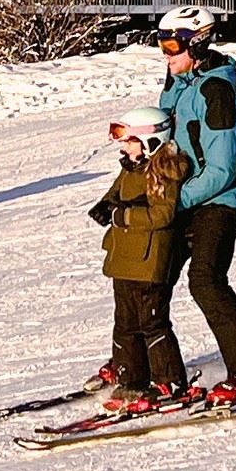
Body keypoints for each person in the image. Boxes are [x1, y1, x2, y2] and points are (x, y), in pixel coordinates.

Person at [152, 6, 236, 406]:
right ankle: (150, 370)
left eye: (172, 45)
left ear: (198, 43)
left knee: (206, 280)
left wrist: (176, 200)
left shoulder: (217, 91)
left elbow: (223, 168)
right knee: (149, 277)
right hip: (187, 197)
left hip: (222, 199)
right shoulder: (178, 86)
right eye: (160, 44)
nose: (165, 54)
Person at [89, 105, 195, 413]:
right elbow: (115, 193)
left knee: (151, 322)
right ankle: (132, 378)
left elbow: (163, 214)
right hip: (124, 258)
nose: (123, 146)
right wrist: (105, 206)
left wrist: (122, 215)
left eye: (129, 140)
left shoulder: (163, 170)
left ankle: (170, 382)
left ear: (151, 141)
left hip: (150, 261)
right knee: (125, 323)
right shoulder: (130, 168)